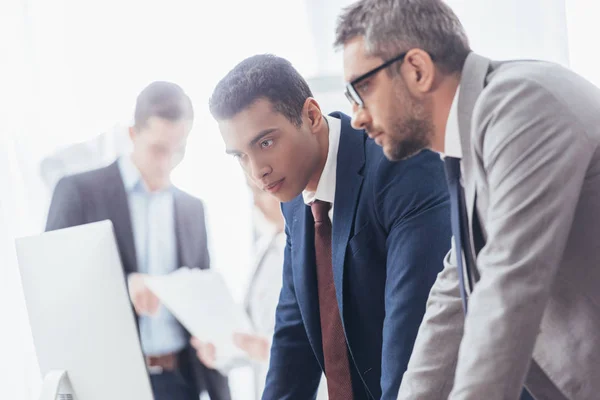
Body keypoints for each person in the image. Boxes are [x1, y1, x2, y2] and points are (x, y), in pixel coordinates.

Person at [335, 1, 600, 399]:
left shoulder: (520, 104)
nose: (355, 115)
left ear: (417, 70)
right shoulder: (467, 146)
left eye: (362, 88)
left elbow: (508, 289)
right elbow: (452, 299)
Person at [207, 54, 452, 400]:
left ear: (311, 115)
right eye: (240, 155)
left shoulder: (399, 168)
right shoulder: (293, 197)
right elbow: (294, 339)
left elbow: (413, 346)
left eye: (265, 143)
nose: (256, 171)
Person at [45, 81, 231, 400]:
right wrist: (121, 286)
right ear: (132, 134)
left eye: (179, 150)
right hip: (107, 382)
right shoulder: (78, 193)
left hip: (180, 382)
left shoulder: (192, 209)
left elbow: (202, 298)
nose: (168, 163)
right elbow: (51, 287)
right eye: (159, 149)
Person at [191, 177, 329, 399]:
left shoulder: (315, 247)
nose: (256, 203)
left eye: (262, 192)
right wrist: (220, 351)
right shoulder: (264, 248)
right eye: (251, 192)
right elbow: (250, 329)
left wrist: (267, 350)